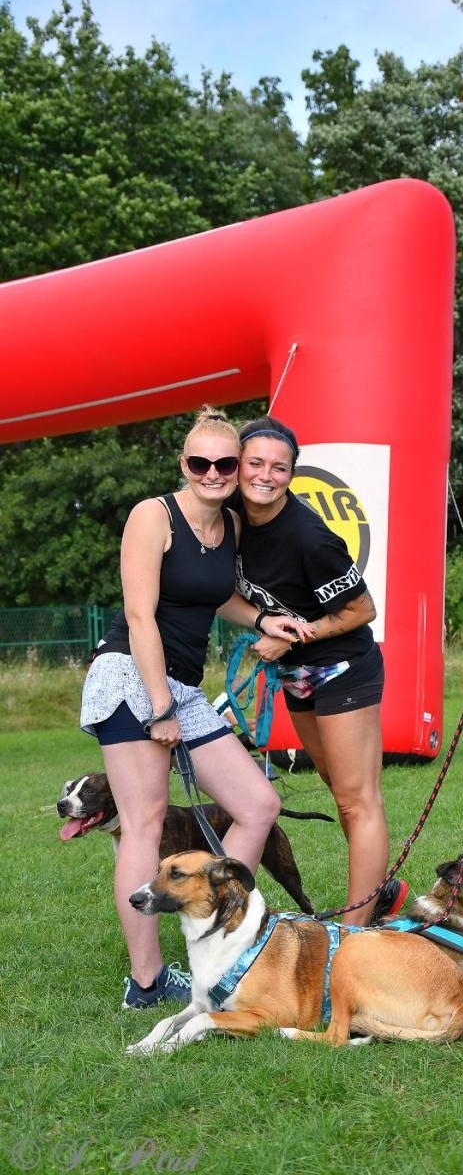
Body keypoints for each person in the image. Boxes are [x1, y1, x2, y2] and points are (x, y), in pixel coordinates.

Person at [80, 407, 282, 1008]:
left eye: (227, 463)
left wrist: (264, 617)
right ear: (184, 465)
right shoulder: (153, 516)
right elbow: (141, 616)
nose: (215, 472)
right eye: (202, 462)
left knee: (258, 804)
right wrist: (161, 707)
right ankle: (145, 983)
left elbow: (218, 597)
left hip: (182, 685)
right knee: (145, 821)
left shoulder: (230, 527)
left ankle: (220, 943)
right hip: (129, 673)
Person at [232, 414, 406, 927]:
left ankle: (352, 932)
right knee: (337, 785)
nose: (266, 475)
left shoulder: (309, 538)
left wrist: (292, 634)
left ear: (292, 472)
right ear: (237, 465)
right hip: (297, 673)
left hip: (344, 669)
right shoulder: (232, 519)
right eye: (255, 463)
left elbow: (361, 611)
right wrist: (272, 628)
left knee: (357, 801)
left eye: (279, 467)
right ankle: (382, 892)